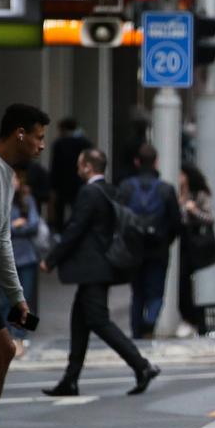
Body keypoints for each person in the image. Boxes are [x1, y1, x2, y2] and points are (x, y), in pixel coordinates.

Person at [41, 148, 159, 398]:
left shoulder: (89, 193)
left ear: (87, 167)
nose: (76, 169)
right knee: (80, 322)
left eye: (79, 164)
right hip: (102, 267)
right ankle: (70, 380)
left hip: (93, 268)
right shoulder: (109, 190)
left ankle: (142, 365)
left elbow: (75, 229)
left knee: (99, 321)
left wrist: (51, 260)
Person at [0, 105, 48, 428]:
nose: (42, 146)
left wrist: (17, 296)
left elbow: (3, 238)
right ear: (20, 134)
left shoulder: (5, 176)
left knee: (4, 349)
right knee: (3, 349)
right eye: (39, 137)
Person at [119, 144, 183, 338]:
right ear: (156, 162)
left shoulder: (127, 187)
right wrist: (165, 240)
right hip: (158, 249)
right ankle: (149, 322)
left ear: (137, 162)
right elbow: (176, 222)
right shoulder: (166, 189)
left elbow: (119, 218)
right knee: (155, 293)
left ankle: (137, 332)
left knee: (137, 294)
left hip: (134, 249)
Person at [1, 172, 40, 354]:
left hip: (27, 257)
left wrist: (14, 227)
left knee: (26, 298)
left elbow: (34, 225)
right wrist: (15, 225)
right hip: (5, 259)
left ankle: (22, 336)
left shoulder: (27, 198)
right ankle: (7, 336)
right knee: (4, 299)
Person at [178, 164, 215, 335]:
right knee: (181, 283)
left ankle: (192, 320)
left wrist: (194, 211)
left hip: (192, 244)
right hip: (178, 243)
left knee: (186, 282)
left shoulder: (199, 195)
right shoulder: (174, 192)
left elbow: (210, 219)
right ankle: (190, 319)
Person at [48, 117, 91, 233]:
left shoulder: (59, 144)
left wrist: (52, 186)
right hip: (79, 182)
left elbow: (55, 166)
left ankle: (60, 233)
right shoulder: (85, 143)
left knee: (60, 213)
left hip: (62, 184)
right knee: (78, 211)